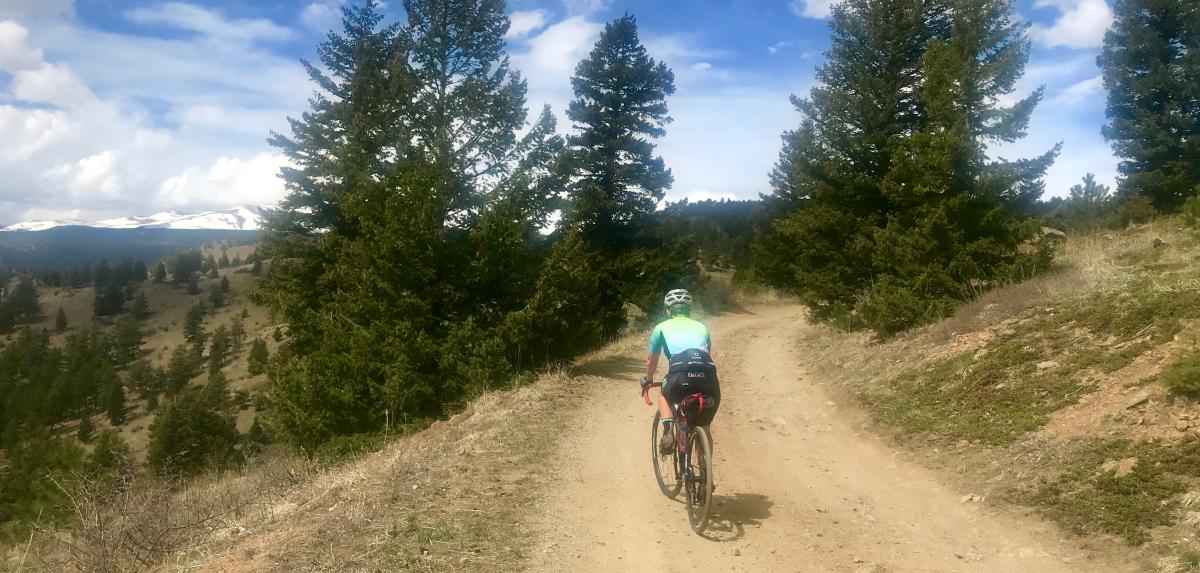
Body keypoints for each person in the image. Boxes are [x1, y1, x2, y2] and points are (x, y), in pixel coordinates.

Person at [641, 288, 720, 455]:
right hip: (708, 377)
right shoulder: (702, 327)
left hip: (679, 376)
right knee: (705, 429)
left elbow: (651, 361)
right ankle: (706, 474)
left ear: (668, 309)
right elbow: (705, 354)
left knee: (664, 393)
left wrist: (648, 379)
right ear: (689, 309)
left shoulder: (660, 328)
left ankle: (669, 431)